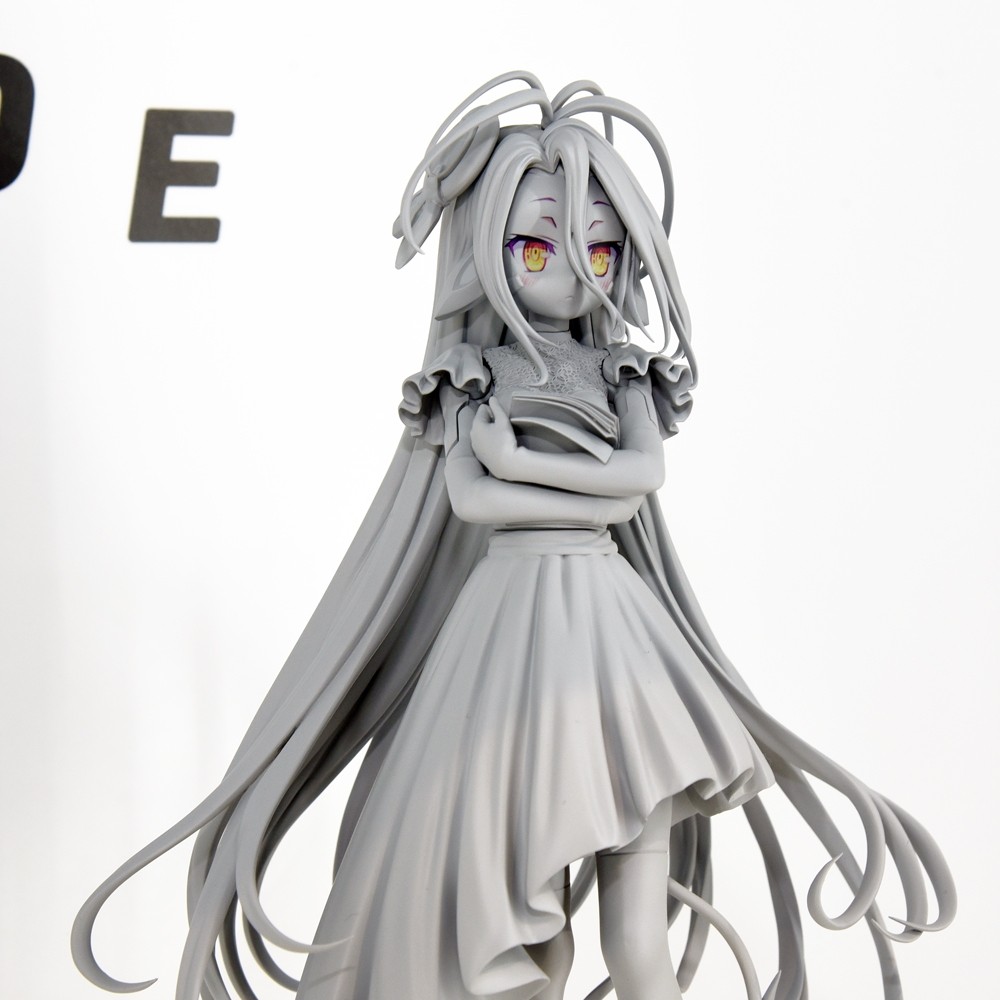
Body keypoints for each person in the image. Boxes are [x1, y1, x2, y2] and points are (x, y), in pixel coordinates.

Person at [73, 72, 954, 1000]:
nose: (573, 272)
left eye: (599, 252)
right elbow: (471, 498)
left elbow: (639, 480)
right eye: (538, 247)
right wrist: (551, 485)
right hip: (505, 643)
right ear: (487, 250)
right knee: (521, 930)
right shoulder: (471, 374)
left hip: (613, 645)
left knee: (636, 943)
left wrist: (518, 465)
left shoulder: (622, 373)